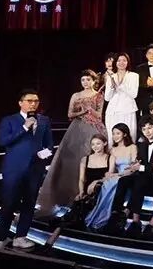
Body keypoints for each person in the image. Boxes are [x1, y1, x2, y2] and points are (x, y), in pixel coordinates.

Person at [38, 70, 106, 213]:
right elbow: (70, 114)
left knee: (91, 158)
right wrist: (82, 112)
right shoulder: (76, 95)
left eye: (88, 79)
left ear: (94, 81)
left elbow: (99, 115)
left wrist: (90, 109)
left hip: (94, 129)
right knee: (72, 161)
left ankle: (89, 196)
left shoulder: (99, 95)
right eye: (83, 80)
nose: (85, 82)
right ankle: (68, 195)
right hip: (76, 129)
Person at [0, 90, 54, 250]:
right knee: (9, 203)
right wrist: (24, 128)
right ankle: (1, 238)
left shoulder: (44, 120)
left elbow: (49, 144)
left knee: (29, 204)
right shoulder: (9, 120)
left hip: (35, 169)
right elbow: (3, 141)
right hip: (13, 169)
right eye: (29, 101)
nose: (33, 104)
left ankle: (20, 237)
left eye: (36, 101)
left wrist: (43, 156)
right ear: (21, 103)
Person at [86, 123, 138, 231]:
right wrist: (102, 178)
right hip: (116, 175)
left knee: (114, 182)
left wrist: (116, 175)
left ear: (125, 134)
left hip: (128, 176)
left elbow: (133, 168)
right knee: (107, 183)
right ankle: (100, 216)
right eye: (113, 134)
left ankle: (108, 216)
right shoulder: (112, 149)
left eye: (118, 133)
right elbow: (111, 170)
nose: (115, 136)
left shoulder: (132, 147)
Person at [69, 134, 114, 224]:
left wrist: (96, 181)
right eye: (93, 144)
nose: (95, 146)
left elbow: (109, 176)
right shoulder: (85, 159)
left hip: (103, 188)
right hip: (87, 188)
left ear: (105, 143)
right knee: (78, 202)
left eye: (98, 143)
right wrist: (81, 191)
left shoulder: (110, 158)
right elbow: (81, 179)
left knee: (98, 187)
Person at [105, 52, 139, 136]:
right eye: (119, 60)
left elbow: (134, 94)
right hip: (112, 111)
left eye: (124, 60)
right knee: (112, 136)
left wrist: (121, 85)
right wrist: (112, 88)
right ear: (115, 62)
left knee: (129, 135)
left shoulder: (133, 76)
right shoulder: (111, 77)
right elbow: (107, 98)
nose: (121, 63)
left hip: (128, 110)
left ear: (128, 62)